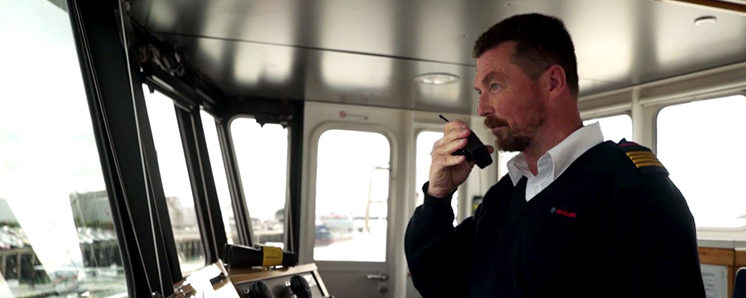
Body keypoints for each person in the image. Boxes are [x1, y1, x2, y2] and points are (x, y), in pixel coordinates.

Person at [404, 13, 705, 298]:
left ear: (552, 83)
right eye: (480, 91)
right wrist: (437, 197)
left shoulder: (634, 190)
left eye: (494, 85)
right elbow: (437, 282)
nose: (483, 108)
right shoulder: (504, 197)